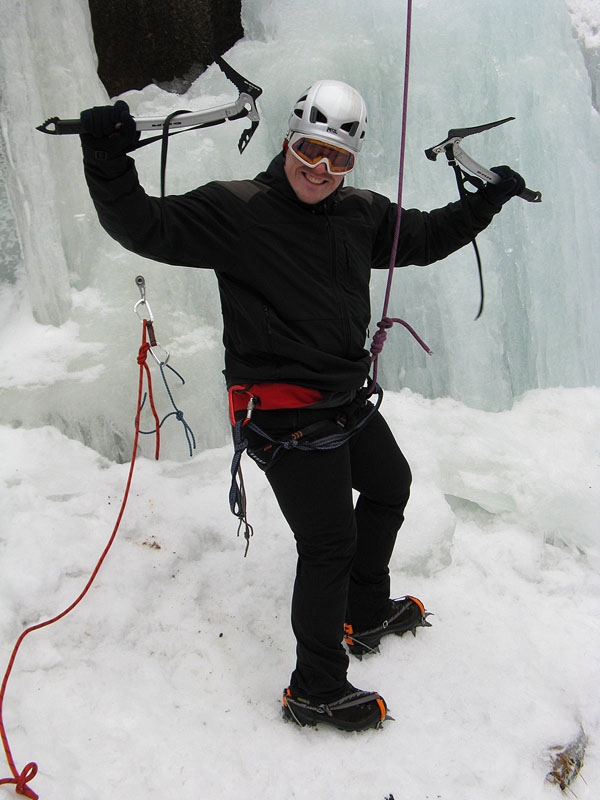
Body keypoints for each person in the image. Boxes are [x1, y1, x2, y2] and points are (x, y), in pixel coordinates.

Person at [78, 79, 525, 732]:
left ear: (351, 163)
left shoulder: (360, 214)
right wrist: (108, 161)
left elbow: (424, 238)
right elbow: (143, 225)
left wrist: (486, 201)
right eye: (310, 150)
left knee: (389, 485)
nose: (319, 169)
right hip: (280, 410)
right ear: (289, 140)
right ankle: (315, 687)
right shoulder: (238, 211)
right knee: (328, 542)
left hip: (342, 397)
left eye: (337, 159)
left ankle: (362, 613)